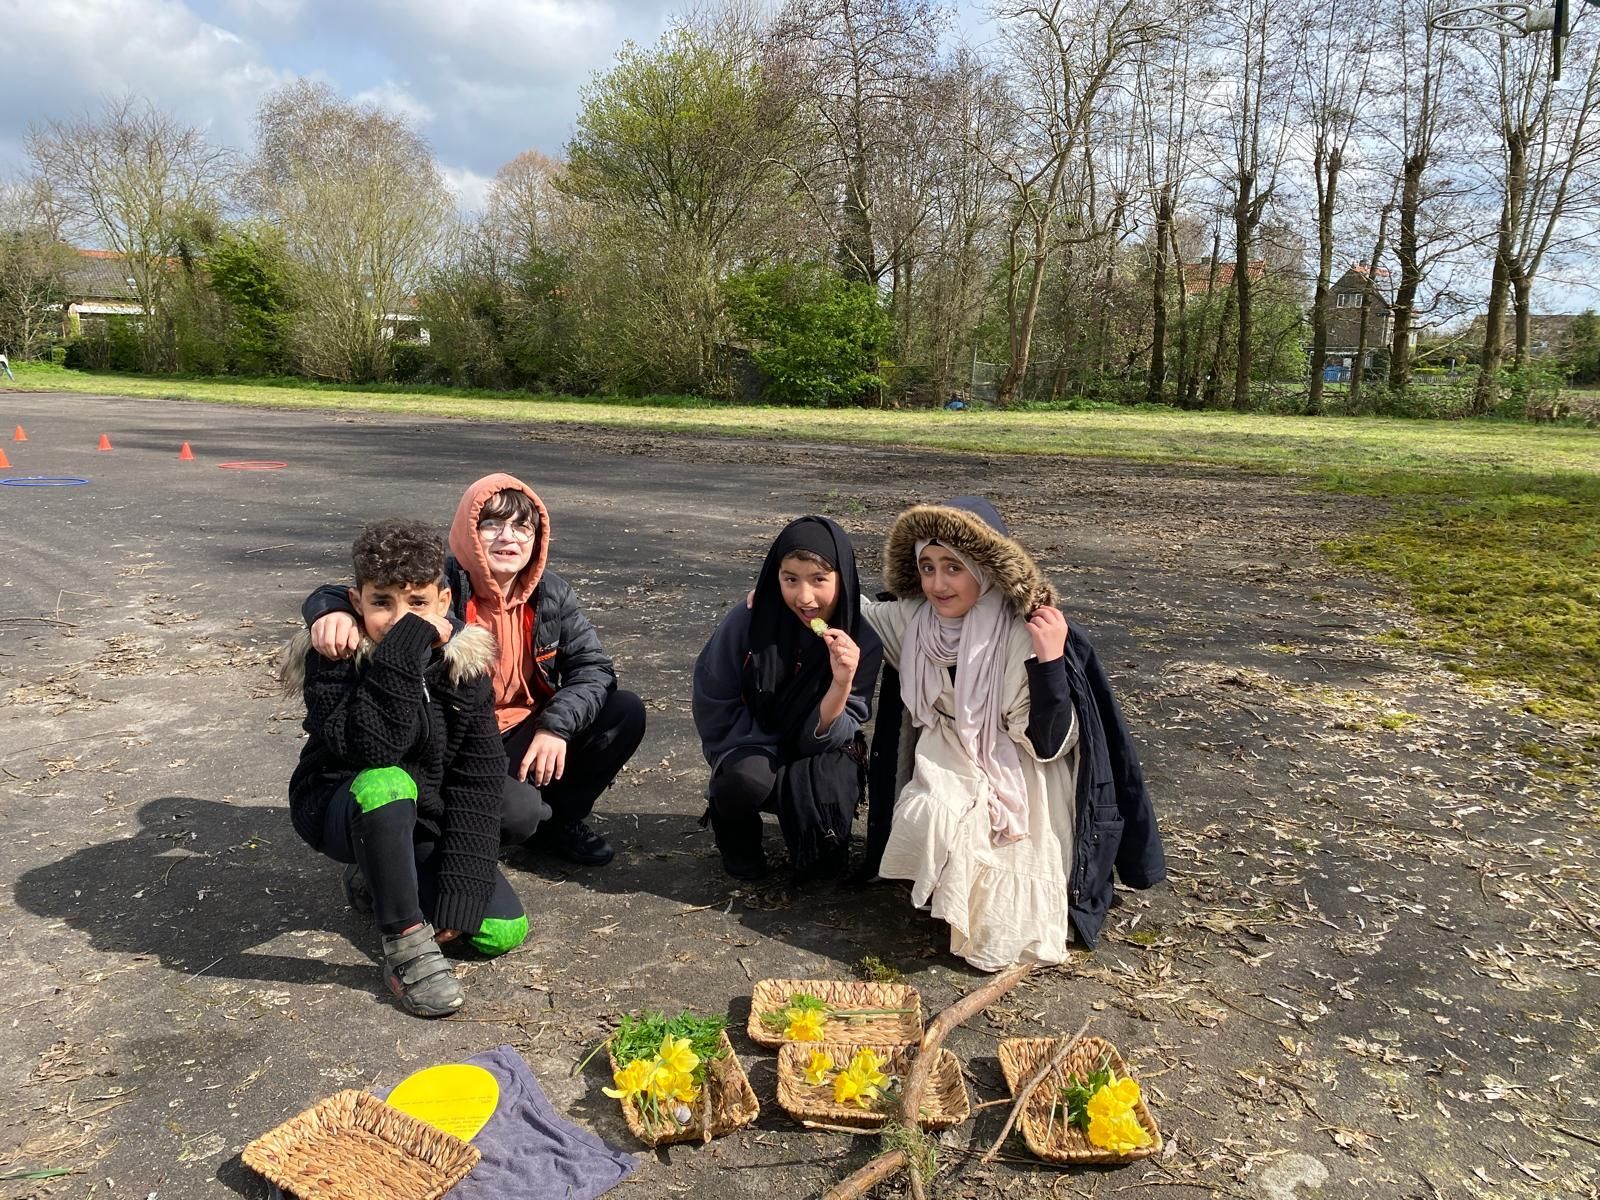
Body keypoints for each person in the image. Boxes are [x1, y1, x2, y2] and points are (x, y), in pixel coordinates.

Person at [857, 498, 1164, 971]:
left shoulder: (1024, 633)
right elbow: (844, 604)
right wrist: (781, 593)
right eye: (927, 567)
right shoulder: (914, 622)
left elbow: (1049, 743)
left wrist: (1049, 663)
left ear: (983, 568)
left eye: (953, 568)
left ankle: (972, 903)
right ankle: (946, 889)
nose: (938, 584)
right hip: (952, 748)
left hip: (1022, 764)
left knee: (1003, 890)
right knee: (934, 812)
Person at [302, 473, 646, 868]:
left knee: (624, 711)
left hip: (524, 727)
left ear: (537, 538)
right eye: (492, 525)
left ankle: (560, 822)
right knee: (518, 815)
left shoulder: (551, 591)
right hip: (459, 737)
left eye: (522, 527)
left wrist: (556, 725)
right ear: (468, 531)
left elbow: (593, 667)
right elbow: (365, 591)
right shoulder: (441, 584)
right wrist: (329, 609)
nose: (508, 537)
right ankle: (408, 858)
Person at [282, 519, 531, 1017]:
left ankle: (378, 877)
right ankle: (404, 944)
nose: (398, 617)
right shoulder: (334, 656)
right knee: (387, 781)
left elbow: (477, 782)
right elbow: (371, 748)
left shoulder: (465, 668)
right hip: (342, 802)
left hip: (423, 809)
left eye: (416, 603)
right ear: (357, 602)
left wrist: (461, 893)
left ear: (444, 603)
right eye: (382, 603)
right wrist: (406, 644)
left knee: (502, 930)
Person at [692, 516, 883, 881]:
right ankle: (737, 836)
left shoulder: (863, 641)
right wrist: (758, 750)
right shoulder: (748, 620)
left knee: (824, 862)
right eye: (790, 579)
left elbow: (843, 729)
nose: (804, 597)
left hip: (820, 747)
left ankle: (815, 834)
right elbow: (713, 699)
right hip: (751, 742)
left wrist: (841, 682)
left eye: (819, 580)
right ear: (773, 574)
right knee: (745, 779)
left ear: (843, 579)